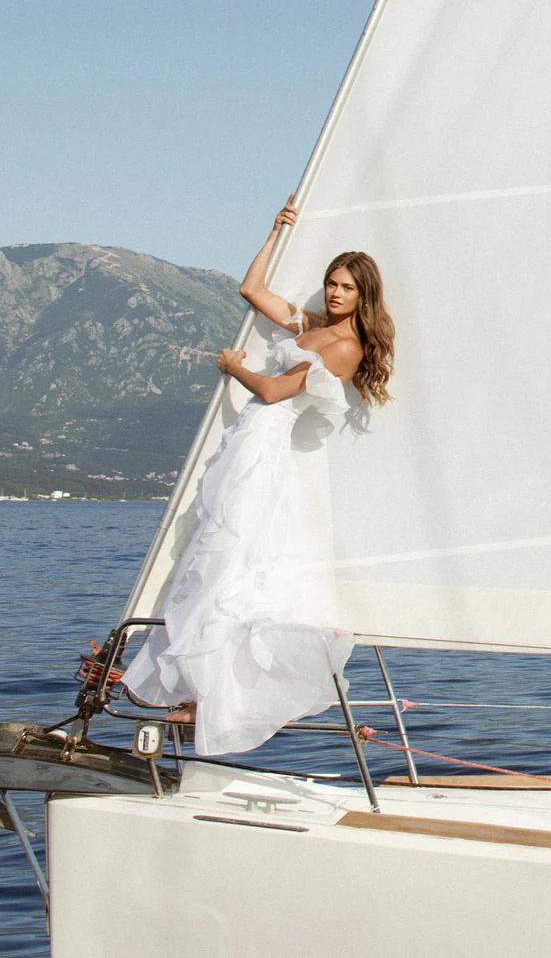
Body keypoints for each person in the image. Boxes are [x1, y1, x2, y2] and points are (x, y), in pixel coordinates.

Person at [120, 196, 395, 756]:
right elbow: (252, 289)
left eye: (346, 287)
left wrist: (234, 367)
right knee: (213, 555)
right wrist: (275, 230)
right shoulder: (313, 325)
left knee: (234, 560)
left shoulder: (345, 346)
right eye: (331, 284)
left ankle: (212, 695)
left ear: (363, 296)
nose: (335, 293)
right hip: (247, 442)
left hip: (268, 446)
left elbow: (272, 391)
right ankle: (197, 686)